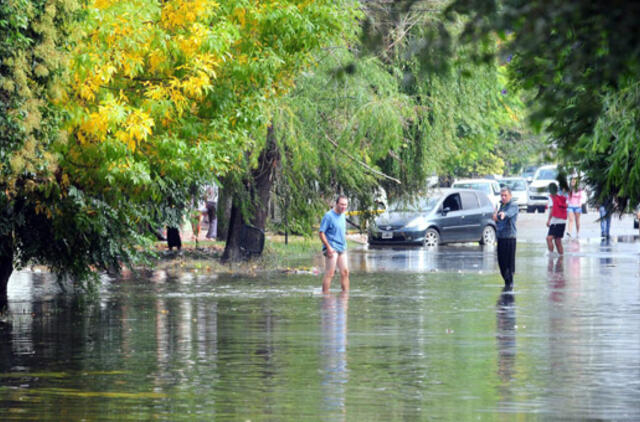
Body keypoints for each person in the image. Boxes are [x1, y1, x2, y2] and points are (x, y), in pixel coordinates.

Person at [319, 195, 350, 293]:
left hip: (342, 247)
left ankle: (345, 295)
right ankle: (325, 295)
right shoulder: (328, 216)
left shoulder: (343, 215)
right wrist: (328, 247)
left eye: (345, 205)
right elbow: (321, 233)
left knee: (345, 272)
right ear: (336, 204)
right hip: (331, 247)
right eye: (341, 204)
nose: (343, 207)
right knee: (330, 273)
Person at [493, 187, 518, 291]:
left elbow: (508, 214)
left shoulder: (513, 205)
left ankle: (510, 285)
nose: (503, 197)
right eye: (502, 195)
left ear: (510, 196)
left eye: (505, 195)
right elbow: (497, 218)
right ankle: (507, 283)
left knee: (509, 265)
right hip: (501, 237)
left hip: (509, 238)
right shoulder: (501, 206)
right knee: (501, 263)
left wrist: (502, 215)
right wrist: (496, 217)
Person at [546, 183, 567, 254]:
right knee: (558, 241)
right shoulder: (560, 197)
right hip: (563, 222)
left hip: (555, 222)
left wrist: (548, 220)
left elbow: (552, 210)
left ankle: (551, 255)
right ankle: (561, 258)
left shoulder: (551, 197)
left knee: (548, 239)